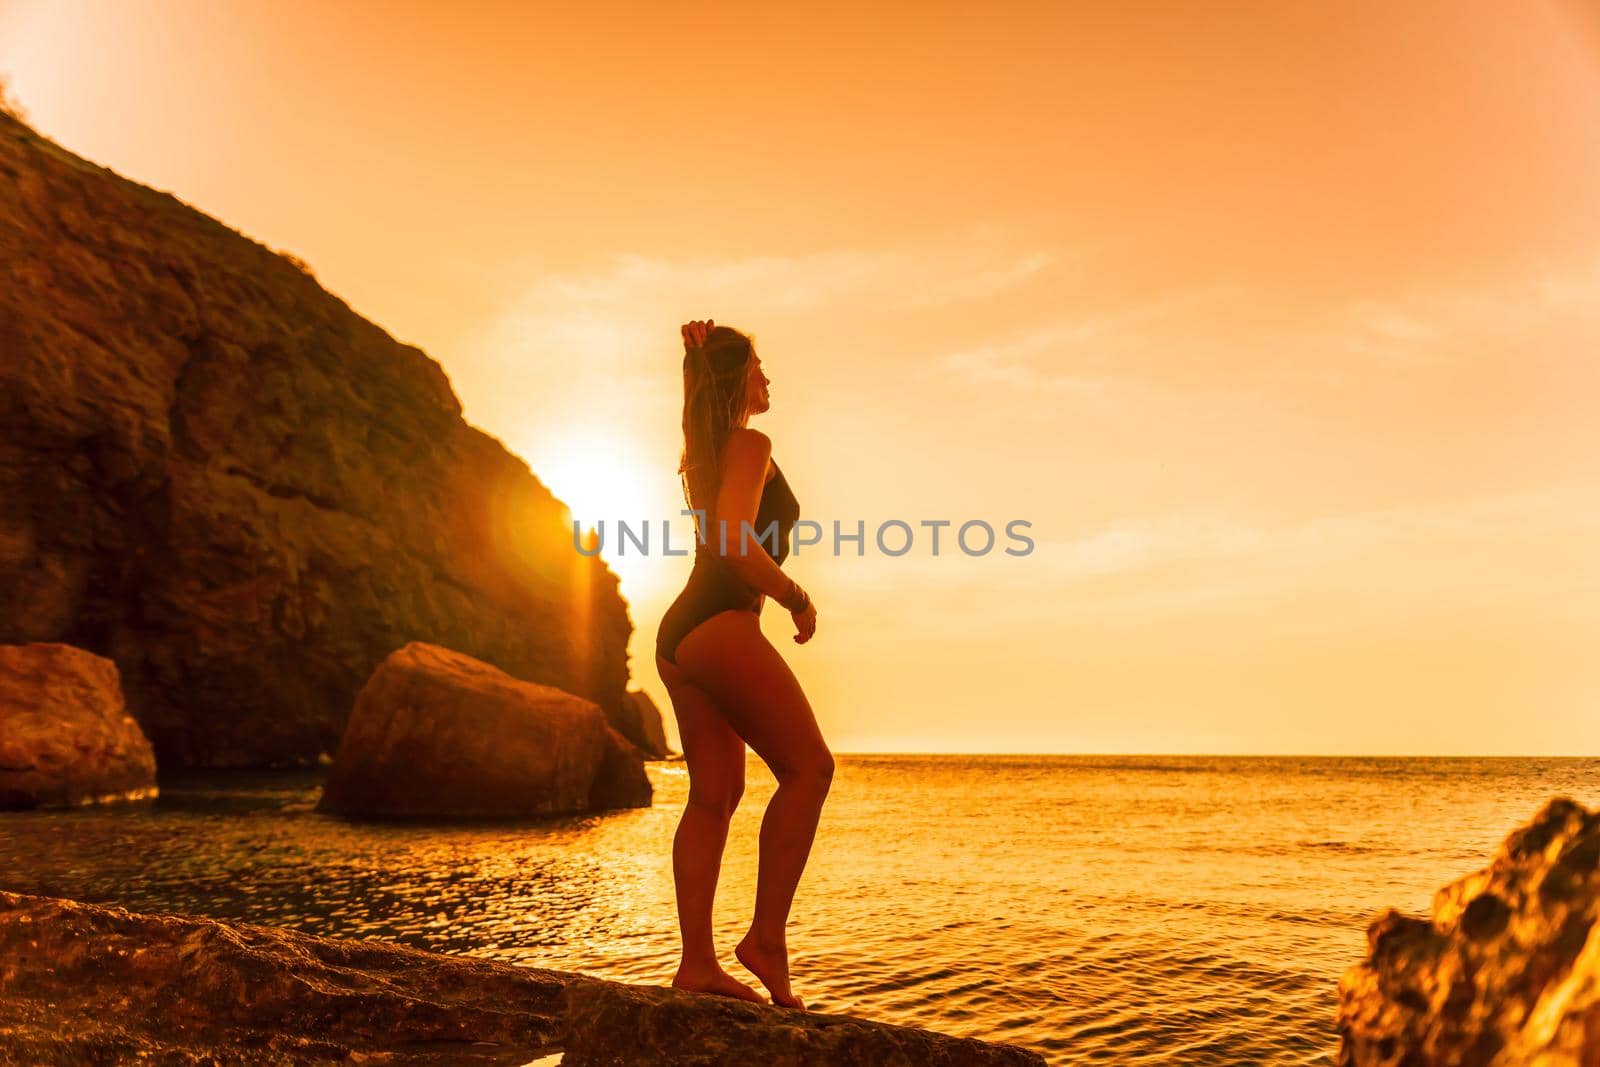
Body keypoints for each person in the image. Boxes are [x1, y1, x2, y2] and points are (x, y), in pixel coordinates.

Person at [654, 318, 831, 1010]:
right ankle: (765, 939)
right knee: (810, 768)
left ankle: (697, 963)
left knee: (716, 793)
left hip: (682, 633)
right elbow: (733, 540)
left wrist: (694, 363)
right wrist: (795, 594)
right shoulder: (748, 442)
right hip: (723, 618)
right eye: (759, 365)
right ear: (737, 379)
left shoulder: (704, 445)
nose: (768, 377)